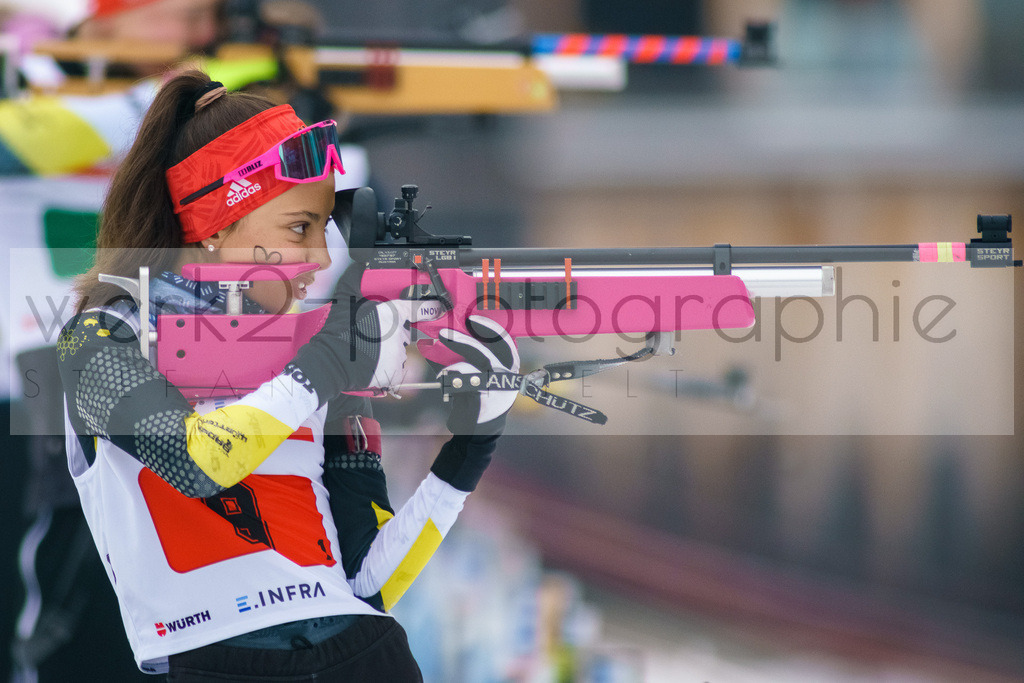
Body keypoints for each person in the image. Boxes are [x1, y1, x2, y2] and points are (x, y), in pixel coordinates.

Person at [54, 68, 518, 680]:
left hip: (366, 654)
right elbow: (196, 465)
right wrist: (326, 363)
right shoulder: (99, 337)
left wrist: (469, 449)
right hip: (216, 662)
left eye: (324, 228)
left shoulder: (310, 352)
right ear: (215, 224)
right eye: (299, 227)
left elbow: (369, 582)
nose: (321, 258)